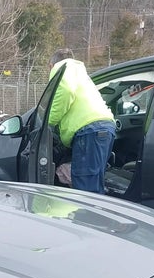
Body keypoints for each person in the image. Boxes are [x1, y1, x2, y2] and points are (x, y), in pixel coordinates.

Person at [47, 48, 115, 194]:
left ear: (51, 65)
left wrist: (48, 121)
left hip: (89, 129)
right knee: (94, 185)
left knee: (85, 190)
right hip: (103, 128)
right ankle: (96, 215)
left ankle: (88, 217)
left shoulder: (60, 69)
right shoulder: (79, 72)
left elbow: (66, 91)